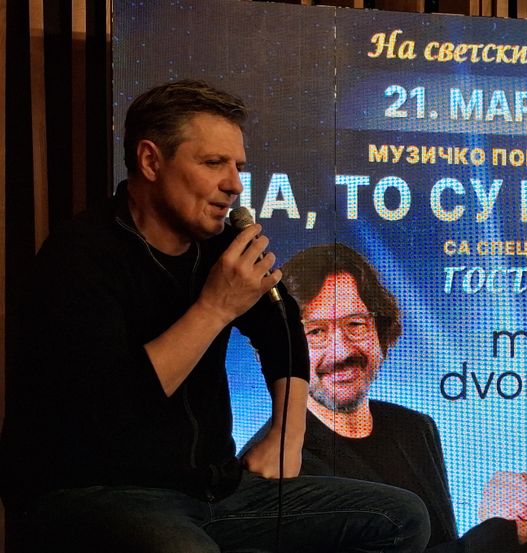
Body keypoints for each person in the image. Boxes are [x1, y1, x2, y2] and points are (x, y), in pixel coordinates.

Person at [0, 80, 430, 553]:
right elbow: (112, 407)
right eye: (212, 163)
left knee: (399, 518)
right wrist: (214, 307)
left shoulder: (219, 244)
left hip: (213, 492)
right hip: (100, 491)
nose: (234, 184)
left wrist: (287, 433)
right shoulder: (79, 256)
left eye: (238, 167)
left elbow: (282, 328)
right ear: (150, 161)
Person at [245, 243, 527, 552]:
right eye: (316, 332)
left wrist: (525, 522)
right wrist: (499, 529)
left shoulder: (414, 427)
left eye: (355, 325)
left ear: (381, 331)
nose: (341, 351)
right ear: (284, 350)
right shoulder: (274, 467)